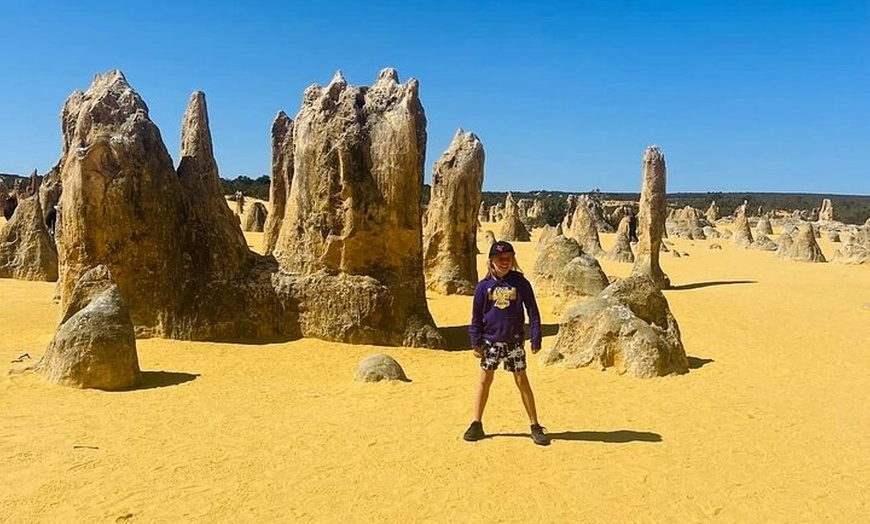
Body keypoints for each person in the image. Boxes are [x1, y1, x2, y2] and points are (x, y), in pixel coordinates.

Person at [464, 241, 549, 446]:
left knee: (522, 381)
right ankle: (476, 423)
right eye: (500, 259)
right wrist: (476, 342)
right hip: (490, 342)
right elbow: (476, 318)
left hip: (514, 342)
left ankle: (535, 425)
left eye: (508, 258)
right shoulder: (483, 287)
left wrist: (536, 336)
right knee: (484, 380)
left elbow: (532, 311)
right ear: (491, 260)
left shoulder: (520, 283)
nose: (505, 262)